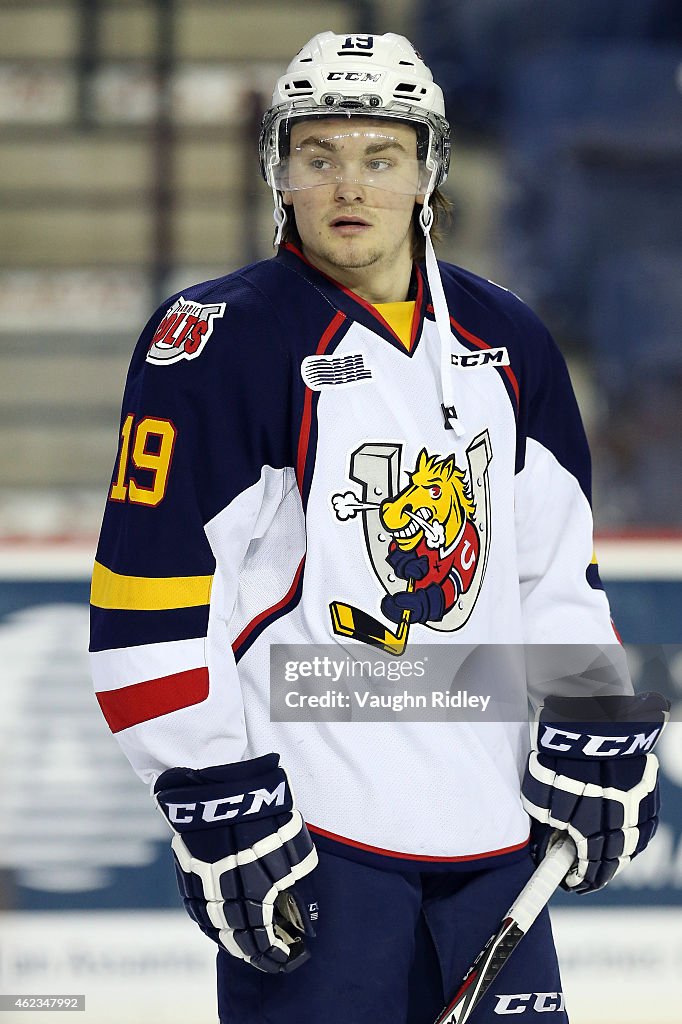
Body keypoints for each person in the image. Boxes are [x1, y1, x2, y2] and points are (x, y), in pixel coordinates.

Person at [89, 32, 668, 1024]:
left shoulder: (511, 341)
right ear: (280, 170)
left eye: (380, 156)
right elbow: (147, 599)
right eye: (318, 156)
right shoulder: (217, 341)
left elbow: (553, 574)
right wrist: (213, 783)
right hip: (316, 841)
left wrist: (592, 714)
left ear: (428, 173)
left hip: (497, 842)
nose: (348, 185)